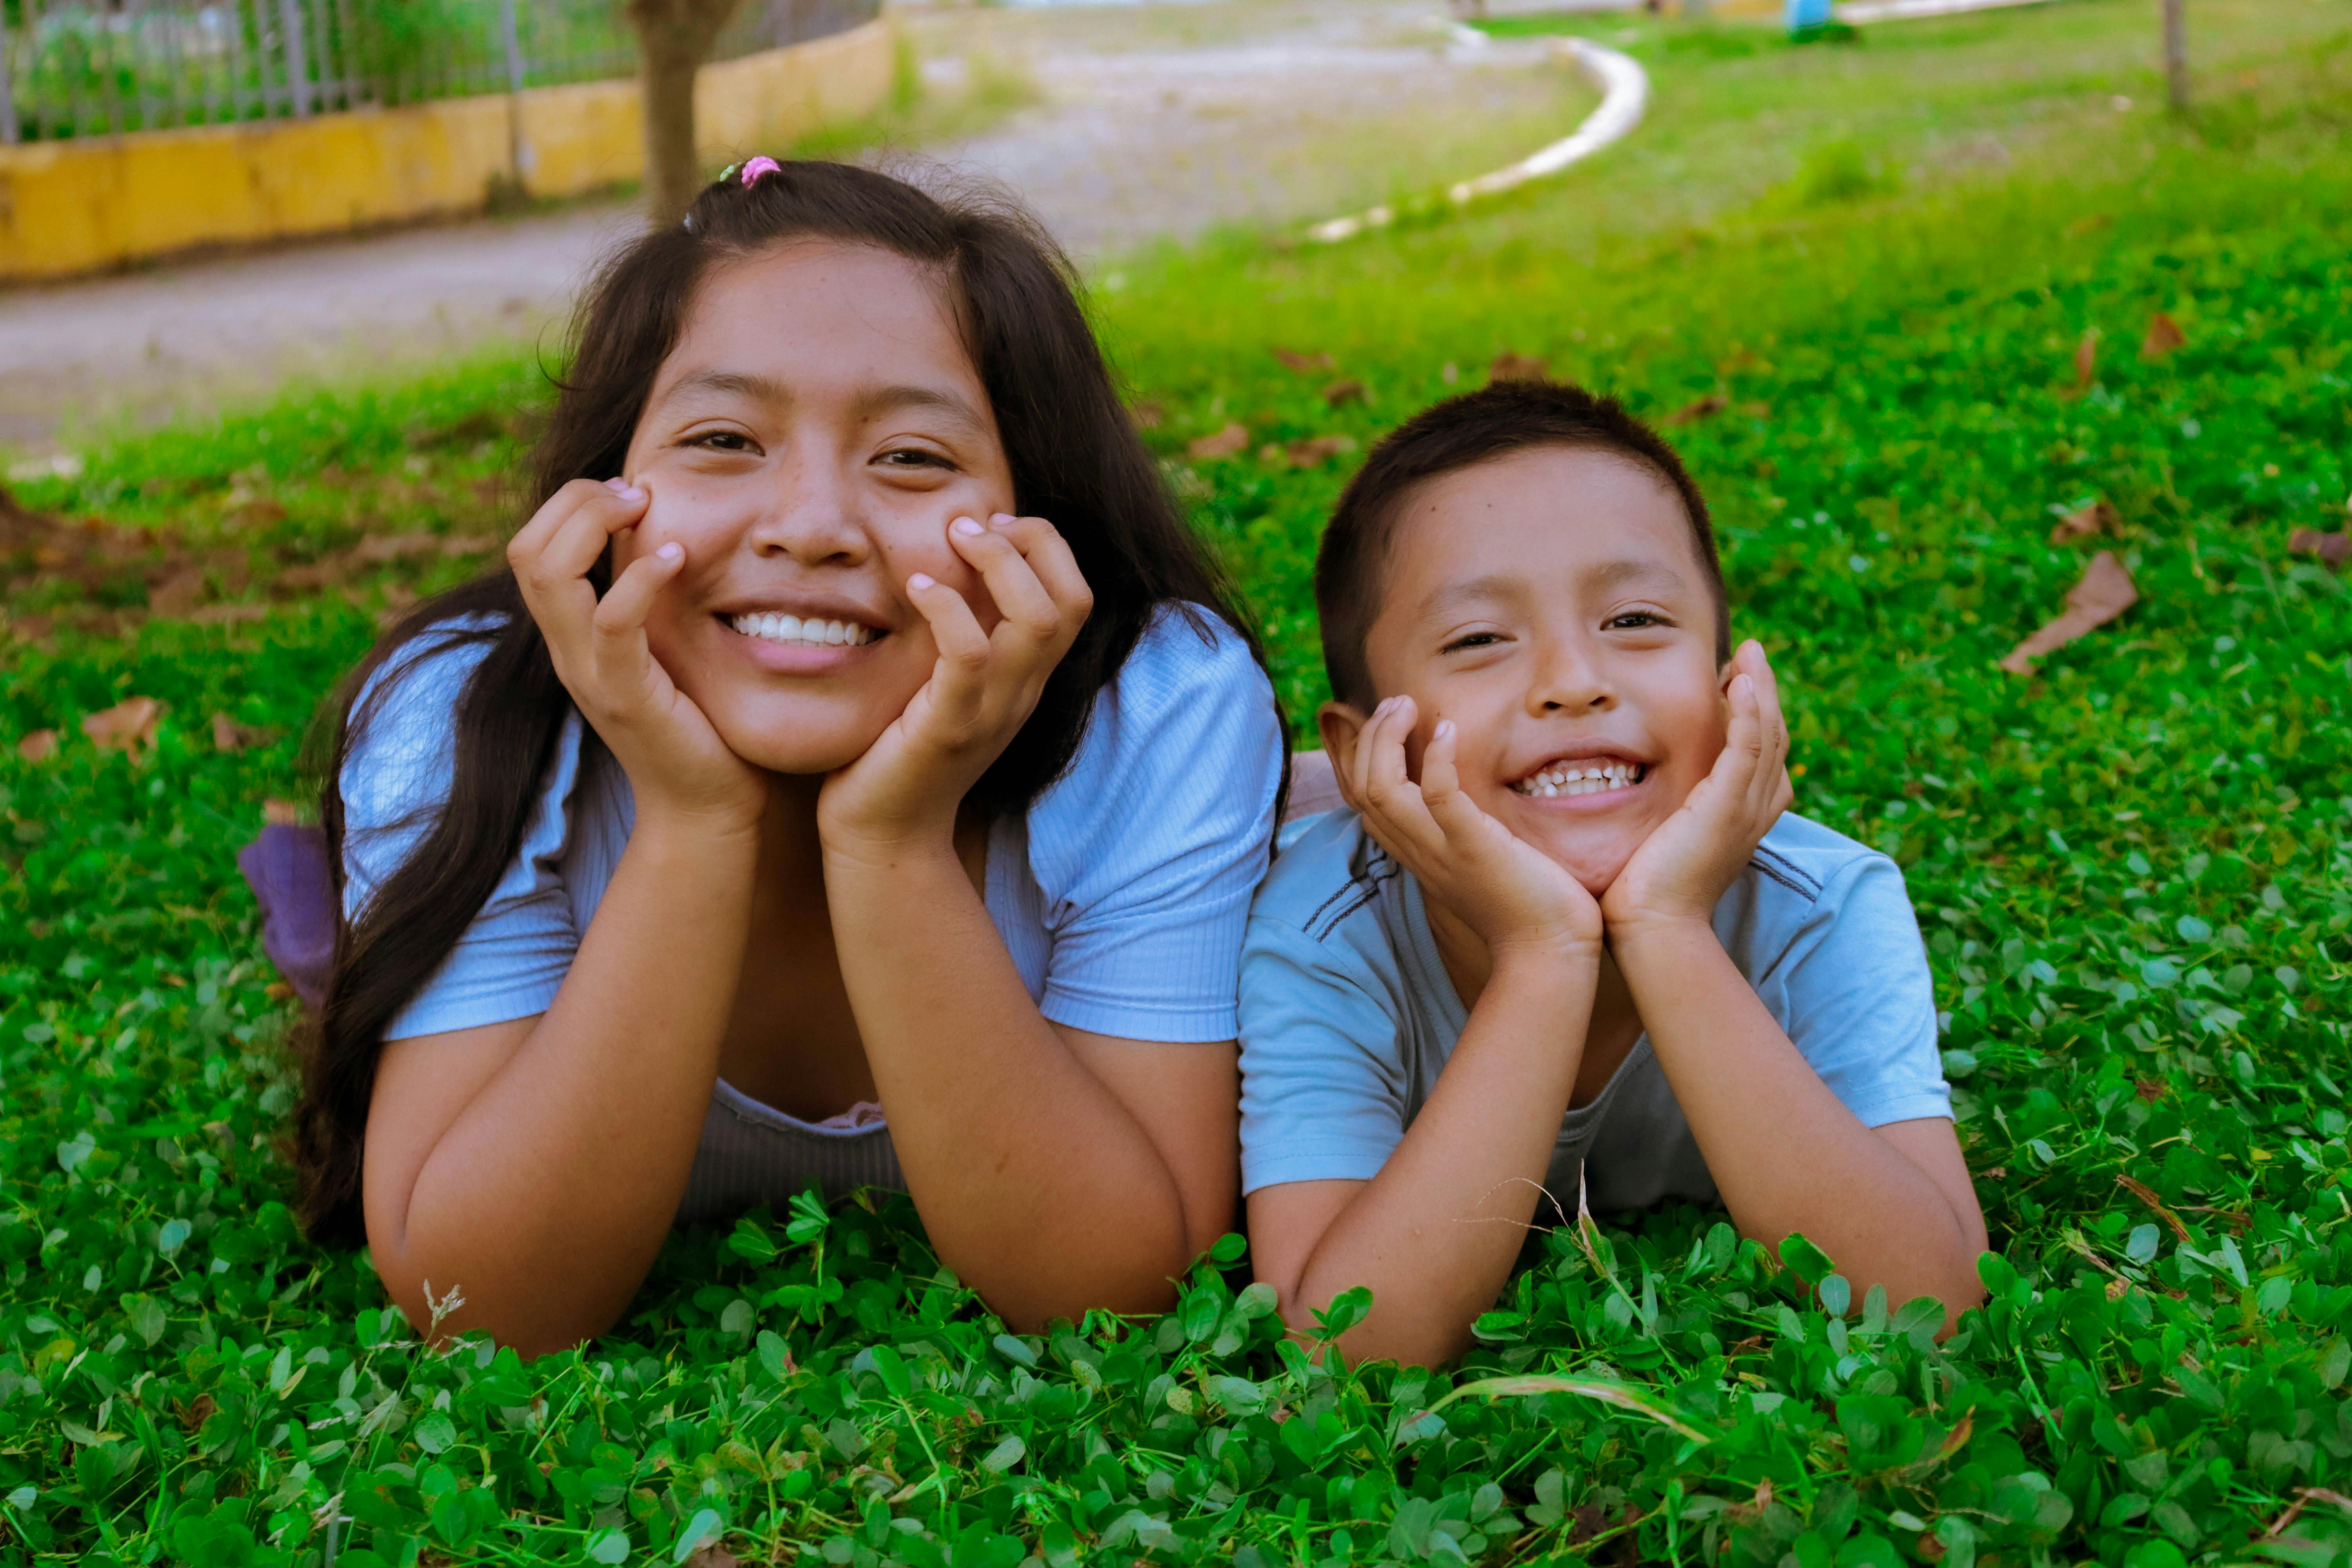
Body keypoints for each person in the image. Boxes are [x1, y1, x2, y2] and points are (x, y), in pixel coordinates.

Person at [295, 159, 1286, 1356]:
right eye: (722, 439)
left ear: (1039, 513)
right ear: (602, 493)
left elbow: (1109, 1290)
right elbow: (486, 1309)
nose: (811, 525)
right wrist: (691, 823)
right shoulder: (458, 711)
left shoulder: (1157, 705)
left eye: (914, 457)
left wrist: (891, 844)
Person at [1239, 380, 1986, 1367]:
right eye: (1478, 639)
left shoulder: (1824, 905)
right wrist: (1542, 952)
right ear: (1361, 750)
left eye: (1635, 619)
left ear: (1735, 690)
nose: (1573, 680)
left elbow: (1934, 1301)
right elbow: (1341, 1349)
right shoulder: (1322, 928)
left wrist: (1669, 927)